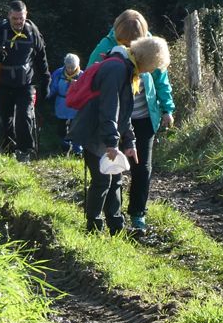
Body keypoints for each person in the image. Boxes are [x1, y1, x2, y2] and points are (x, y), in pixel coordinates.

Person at [69, 36, 171, 235]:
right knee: (102, 181)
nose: (151, 71)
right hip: (94, 130)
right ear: (147, 60)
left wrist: (130, 141)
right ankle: (93, 228)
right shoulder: (117, 70)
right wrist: (112, 143)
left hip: (105, 131)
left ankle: (116, 227)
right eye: (153, 66)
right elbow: (109, 109)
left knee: (115, 179)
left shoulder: (127, 69)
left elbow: (124, 112)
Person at [87, 9, 175, 231]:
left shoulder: (151, 48)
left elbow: (161, 77)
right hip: (114, 118)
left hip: (144, 116)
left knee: (142, 168)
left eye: (134, 42)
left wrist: (167, 108)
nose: (130, 47)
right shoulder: (105, 48)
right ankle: (111, 217)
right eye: (126, 42)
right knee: (113, 169)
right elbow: (90, 79)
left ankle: (137, 214)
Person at [0, 0, 50, 162]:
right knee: (6, 119)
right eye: (15, 19)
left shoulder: (33, 32)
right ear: (9, 16)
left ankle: (24, 152)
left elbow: (41, 58)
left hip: (26, 83)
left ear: (26, 16)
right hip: (4, 83)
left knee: (24, 116)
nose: (18, 22)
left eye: (21, 19)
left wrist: (46, 80)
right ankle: (9, 149)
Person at [45, 53, 83, 155]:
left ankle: (77, 150)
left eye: (73, 67)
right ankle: (64, 149)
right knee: (61, 128)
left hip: (76, 106)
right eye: (68, 67)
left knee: (75, 129)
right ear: (65, 65)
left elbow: (85, 92)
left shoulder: (82, 76)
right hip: (61, 105)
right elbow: (52, 87)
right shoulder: (58, 73)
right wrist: (46, 95)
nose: (70, 70)